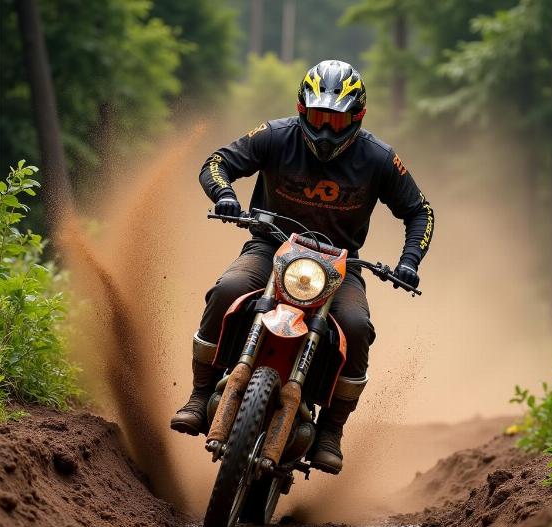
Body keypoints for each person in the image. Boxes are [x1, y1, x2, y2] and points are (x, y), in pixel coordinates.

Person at [171, 60, 434, 474]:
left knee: (356, 327)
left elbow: (419, 211)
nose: (326, 129)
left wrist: (409, 262)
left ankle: (331, 430)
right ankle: (200, 393)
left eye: (336, 118)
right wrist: (224, 195)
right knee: (227, 289)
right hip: (269, 247)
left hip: (340, 267)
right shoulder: (274, 136)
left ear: (358, 117)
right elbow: (216, 163)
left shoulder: (380, 158)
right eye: (317, 116)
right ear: (301, 109)